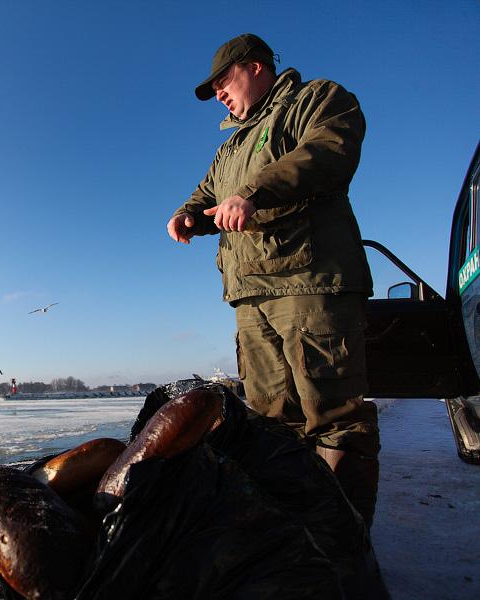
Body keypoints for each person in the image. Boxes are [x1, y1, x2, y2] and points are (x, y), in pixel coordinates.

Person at [166, 34, 380, 528]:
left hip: (310, 283)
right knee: (270, 422)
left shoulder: (317, 100)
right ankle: (292, 538)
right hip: (250, 297)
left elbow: (330, 150)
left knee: (333, 421)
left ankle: (344, 547)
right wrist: (186, 215)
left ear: (256, 67)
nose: (219, 92)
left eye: (224, 80)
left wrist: (253, 192)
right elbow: (205, 194)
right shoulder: (231, 147)